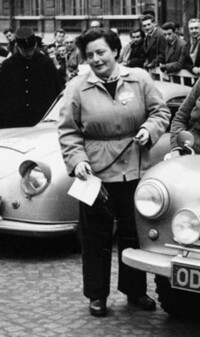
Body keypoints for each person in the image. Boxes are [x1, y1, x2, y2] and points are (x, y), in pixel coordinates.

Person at [57, 28, 171, 318]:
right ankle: (97, 294)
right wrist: (77, 161)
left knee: (134, 235)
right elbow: (68, 132)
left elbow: (161, 112)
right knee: (95, 236)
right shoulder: (77, 88)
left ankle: (135, 291)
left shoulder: (139, 79)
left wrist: (149, 129)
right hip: (96, 175)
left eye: (101, 52)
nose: (96, 59)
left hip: (135, 170)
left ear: (115, 51)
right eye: (90, 54)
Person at [0, 26, 65, 130]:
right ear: (18, 46)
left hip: (40, 123)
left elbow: (58, 92)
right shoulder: (8, 65)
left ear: (35, 45)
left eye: (31, 50)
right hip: (14, 124)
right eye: (25, 50)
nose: (28, 53)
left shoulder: (46, 63)